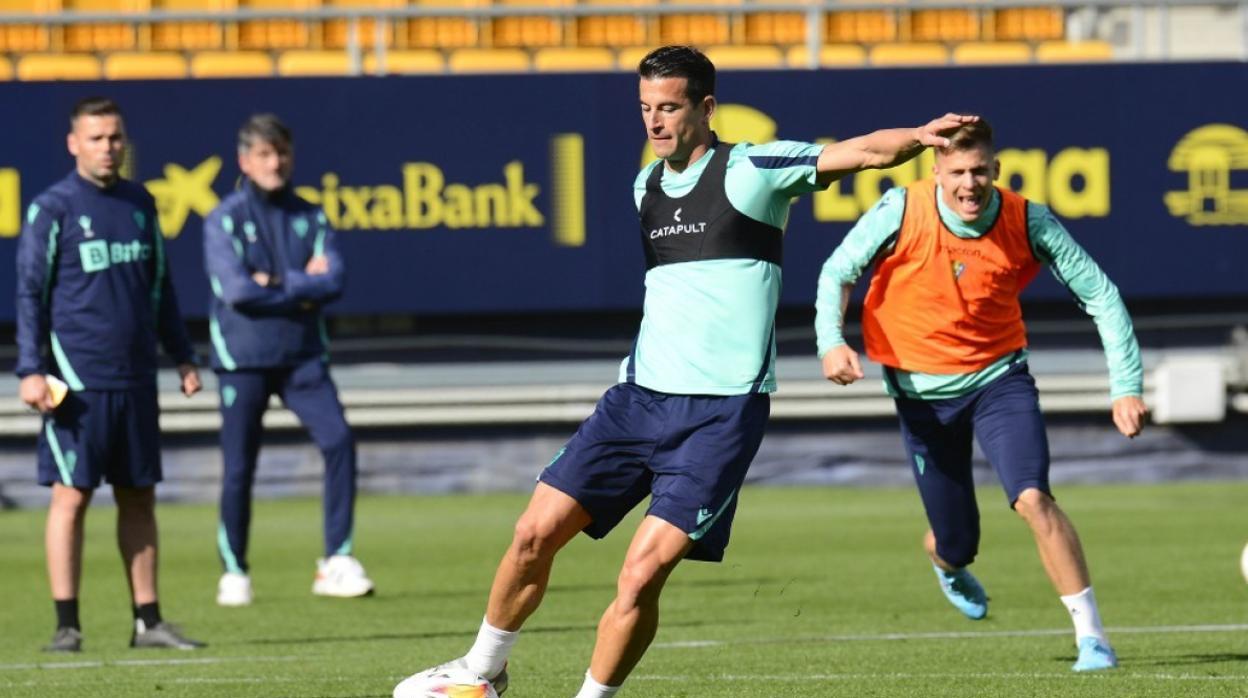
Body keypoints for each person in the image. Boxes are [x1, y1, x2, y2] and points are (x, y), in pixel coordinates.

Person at [394, 45, 974, 698]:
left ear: (705, 107)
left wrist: (920, 139)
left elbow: (863, 151)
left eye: (668, 107)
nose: (655, 121)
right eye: (644, 108)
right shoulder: (645, 185)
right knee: (531, 534)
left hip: (720, 415)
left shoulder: (753, 168)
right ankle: (482, 673)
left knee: (640, 575)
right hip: (637, 402)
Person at [814, 117, 1146, 672]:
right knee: (957, 542)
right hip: (921, 397)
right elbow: (837, 271)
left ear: (996, 171)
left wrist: (1126, 388)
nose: (969, 184)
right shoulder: (901, 209)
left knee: (1033, 497)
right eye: (958, 173)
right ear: (937, 173)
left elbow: (1102, 297)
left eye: (979, 172)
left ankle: (1093, 639)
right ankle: (946, 560)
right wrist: (831, 343)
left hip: (999, 380)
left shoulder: (1027, 219)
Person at [16, 97, 205, 653]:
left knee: (139, 497)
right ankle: (66, 625)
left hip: (137, 379)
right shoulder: (52, 208)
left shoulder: (141, 203)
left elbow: (160, 288)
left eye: (115, 137)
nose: (107, 147)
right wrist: (31, 369)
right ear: (74, 143)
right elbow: (30, 294)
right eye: (96, 138)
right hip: (76, 384)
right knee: (70, 497)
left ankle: (148, 621)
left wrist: (183, 355)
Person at [203, 114, 372, 606]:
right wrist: (302, 285)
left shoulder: (311, 215)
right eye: (263, 154)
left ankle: (336, 559)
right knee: (239, 468)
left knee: (339, 440)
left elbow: (334, 282)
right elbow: (236, 292)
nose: (274, 163)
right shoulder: (225, 217)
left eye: (280, 153)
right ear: (245, 160)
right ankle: (234, 569)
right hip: (243, 357)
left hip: (302, 357)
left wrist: (275, 284)